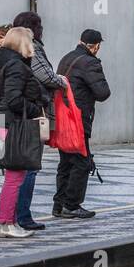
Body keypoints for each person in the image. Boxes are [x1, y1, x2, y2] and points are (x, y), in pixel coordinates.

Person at [10, 12, 67, 231]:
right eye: (39, 25)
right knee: (29, 168)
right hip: (32, 115)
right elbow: (45, 75)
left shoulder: (9, 52)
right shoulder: (31, 48)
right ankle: (22, 215)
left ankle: (13, 215)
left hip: (16, 117)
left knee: (17, 169)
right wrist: (60, 81)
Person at [54, 29, 111, 219]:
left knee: (65, 162)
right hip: (78, 118)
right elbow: (103, 93)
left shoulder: (66, 58)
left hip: (63, 115)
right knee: (81, 162)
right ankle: (71, 205)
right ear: (95, 46)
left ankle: (59, 204)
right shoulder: (90, 62)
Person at [0, 27, 47, 239]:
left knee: (15, 175)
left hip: (9, 122)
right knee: (15, 176)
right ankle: (7, 224)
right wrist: (36, 110)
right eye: (30, 40)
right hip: (15, 123)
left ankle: (11, 221)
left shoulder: (9, 62)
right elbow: (14, 99)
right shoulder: (17, 65)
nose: (33, 44)